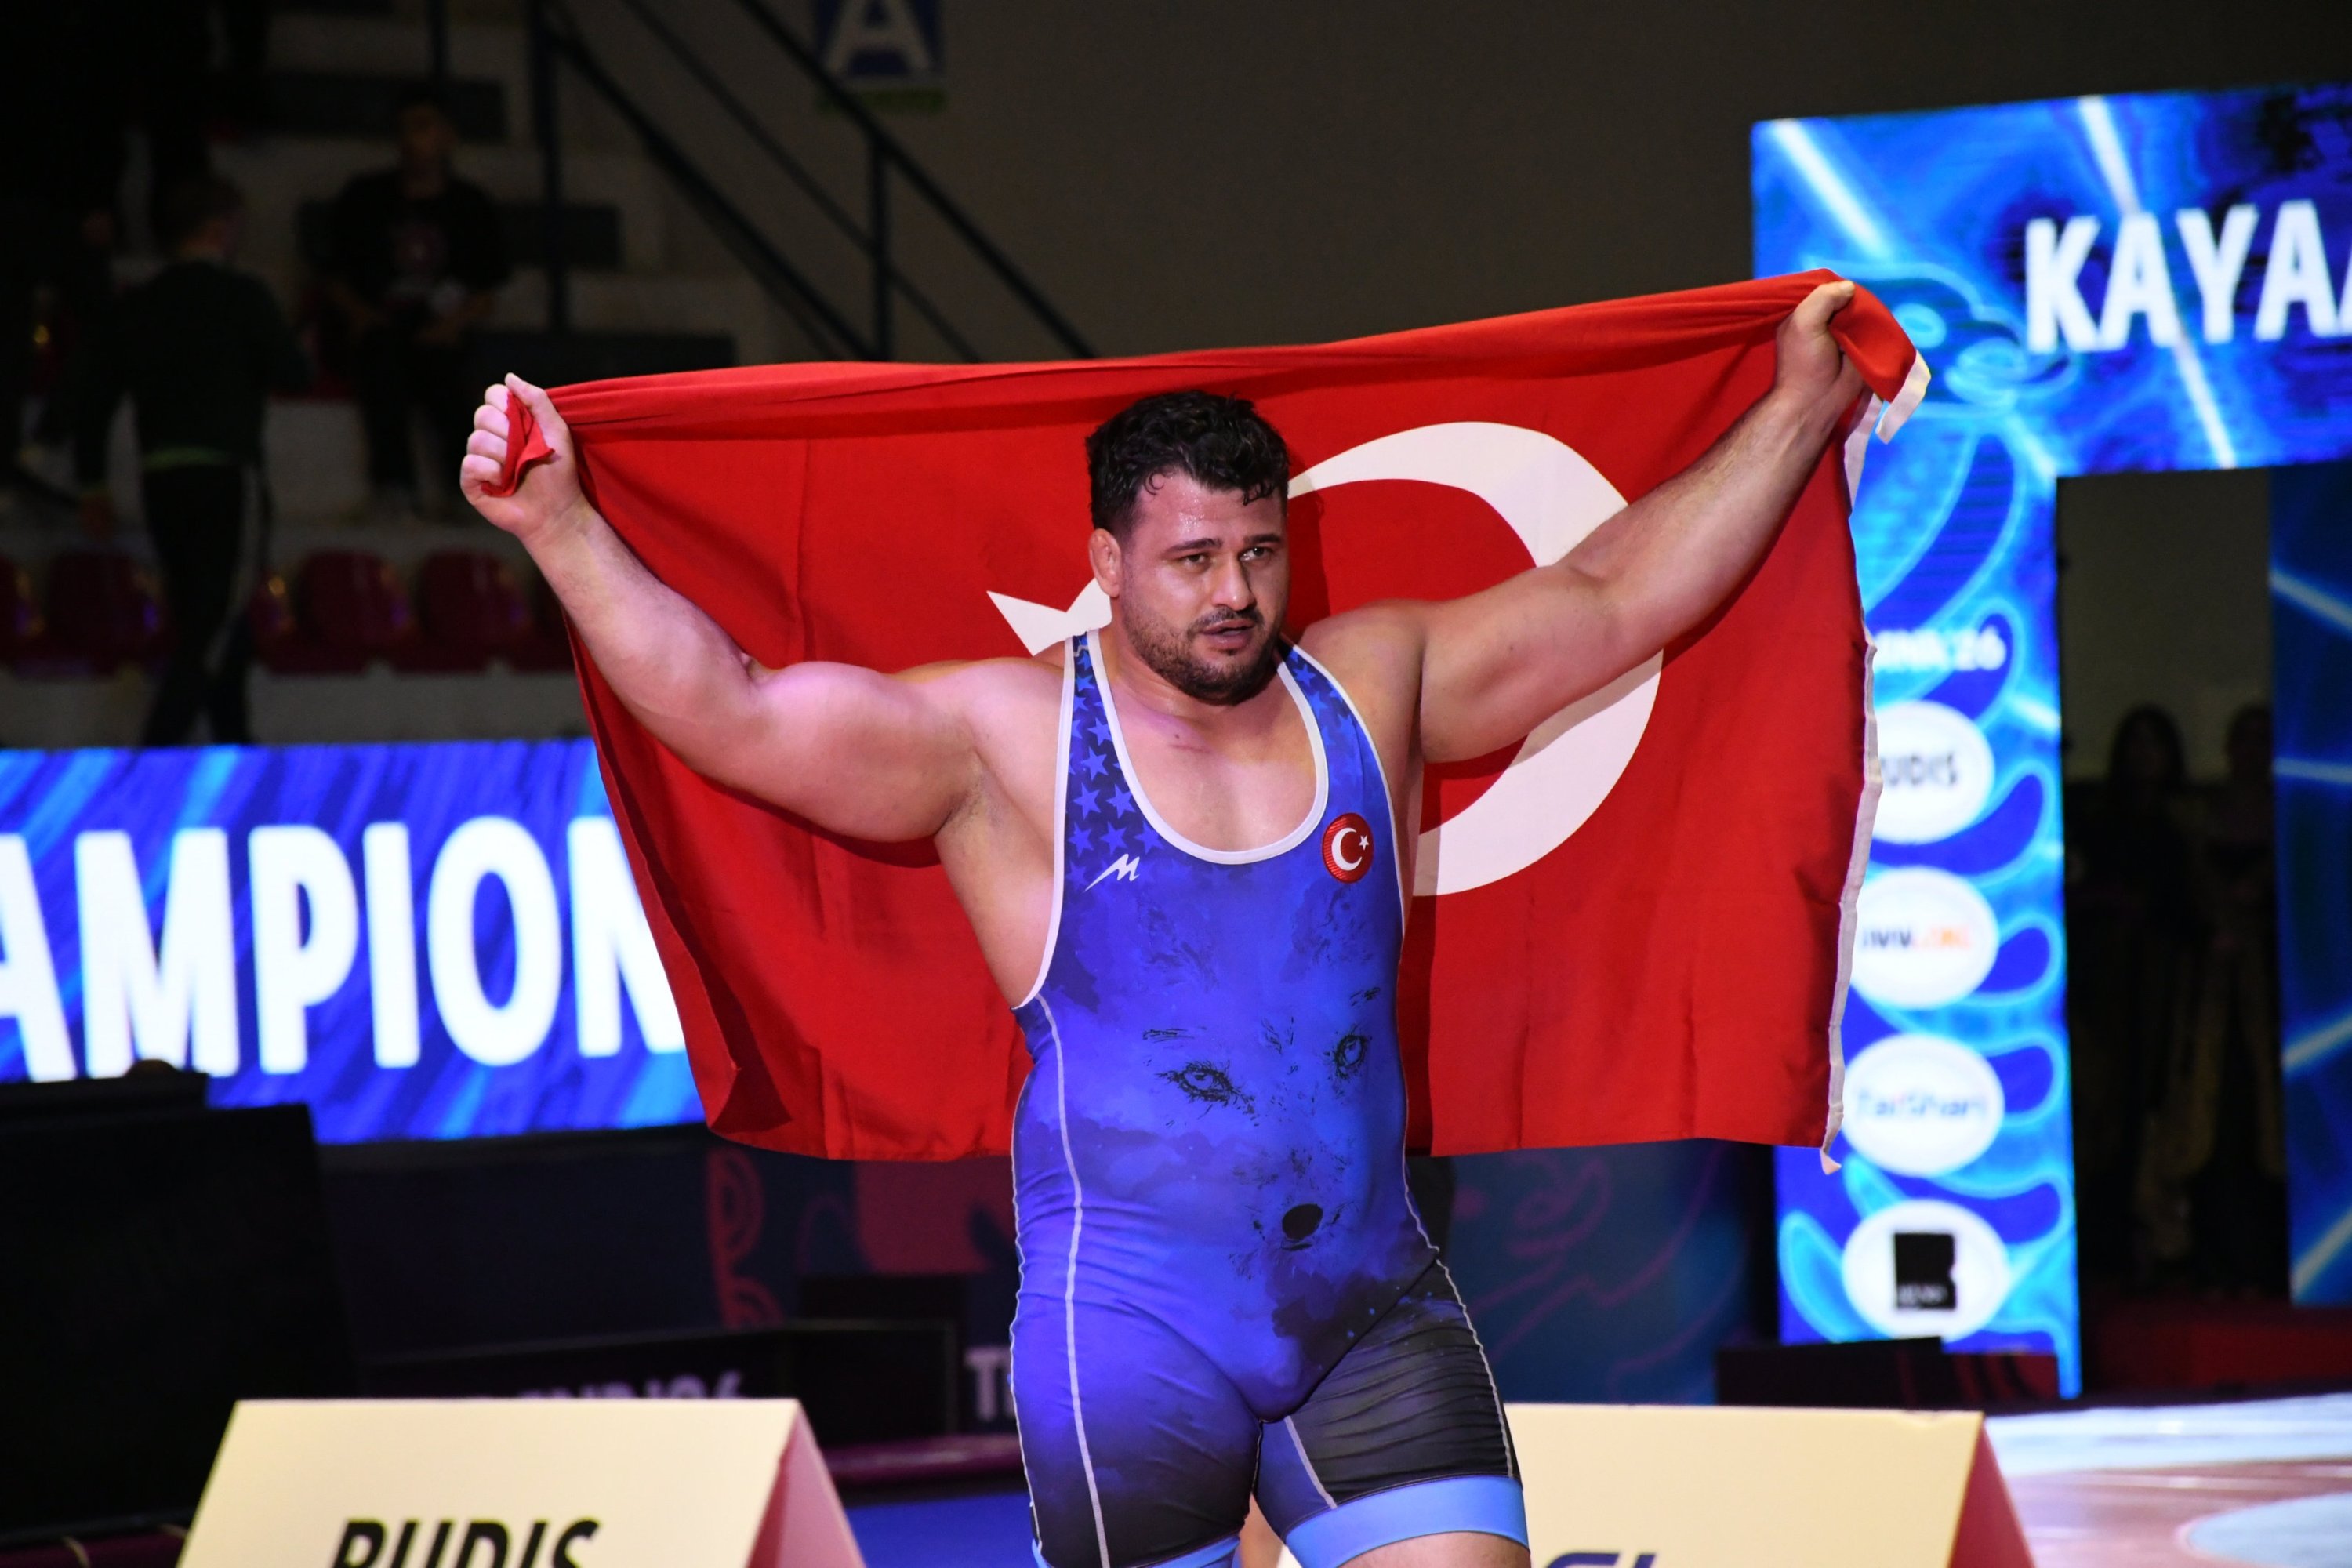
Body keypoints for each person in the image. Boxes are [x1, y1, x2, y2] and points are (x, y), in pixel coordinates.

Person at [461, 282, 1867, 1568]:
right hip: (1134, 1336)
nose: (1236, 594)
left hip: (1370, 1309)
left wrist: (1801, 406)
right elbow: (737, 710)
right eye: (1193, 559)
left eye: (1259, 551)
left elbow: (1614, 593)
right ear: (1107, 562)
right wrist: (560, 529)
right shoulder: (1004, 741)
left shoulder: (1374, 685)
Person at [77, 174, 307, 745]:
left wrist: (92, 485)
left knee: (211, 617)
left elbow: (93, 395)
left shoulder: (141, 304)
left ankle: (234, 746)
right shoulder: (243, 297)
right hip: (227, 478)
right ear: (219, 228)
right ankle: (158, 750)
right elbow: (294, 373)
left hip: (163, 479)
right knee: (213, 619)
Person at [321, 84, 509, 521]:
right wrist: (361, 317)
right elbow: (332, 275)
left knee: (451, 380)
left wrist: (452, 325)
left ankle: (466, 492)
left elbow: (487, 289)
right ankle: (393, 488)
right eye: (405, 129)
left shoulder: (470, 206)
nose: (412, 139)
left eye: (423, 127)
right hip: (380, 330)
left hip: (444, 333)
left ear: (447, 135)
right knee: (381, 369)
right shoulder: (365, 199)